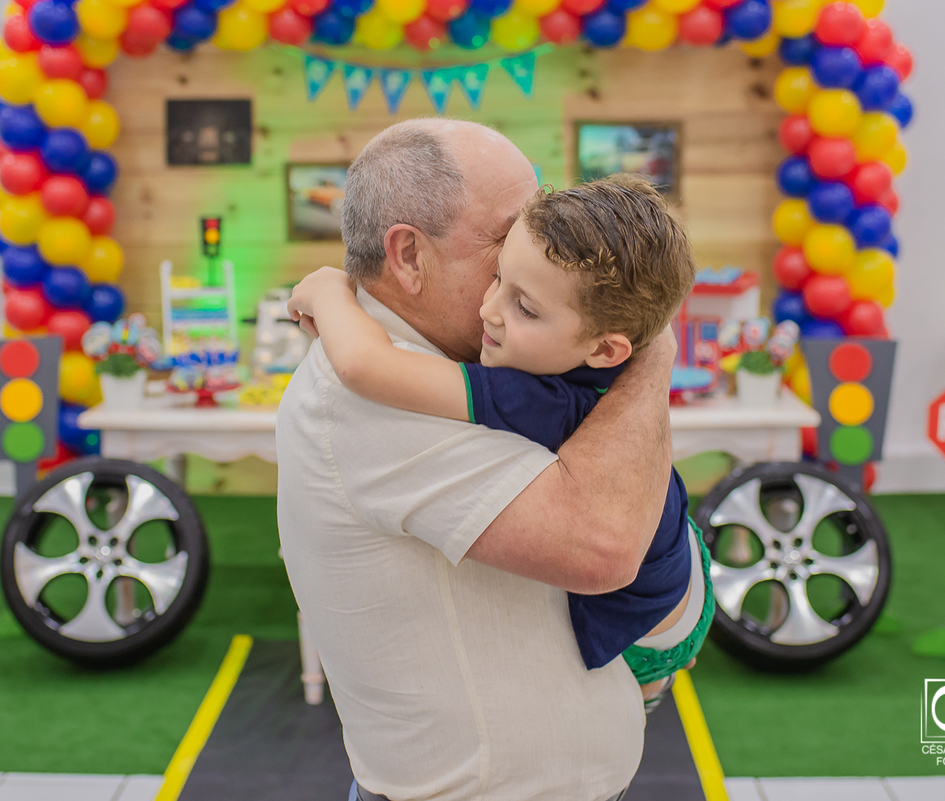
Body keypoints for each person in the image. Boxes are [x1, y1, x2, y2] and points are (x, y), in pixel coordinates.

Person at [276, 119, 677, 801]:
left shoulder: (497, 364)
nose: (535, 253)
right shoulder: (377, 400)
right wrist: (651, 343)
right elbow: (604, 547)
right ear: (408, 257)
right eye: (506, 236)